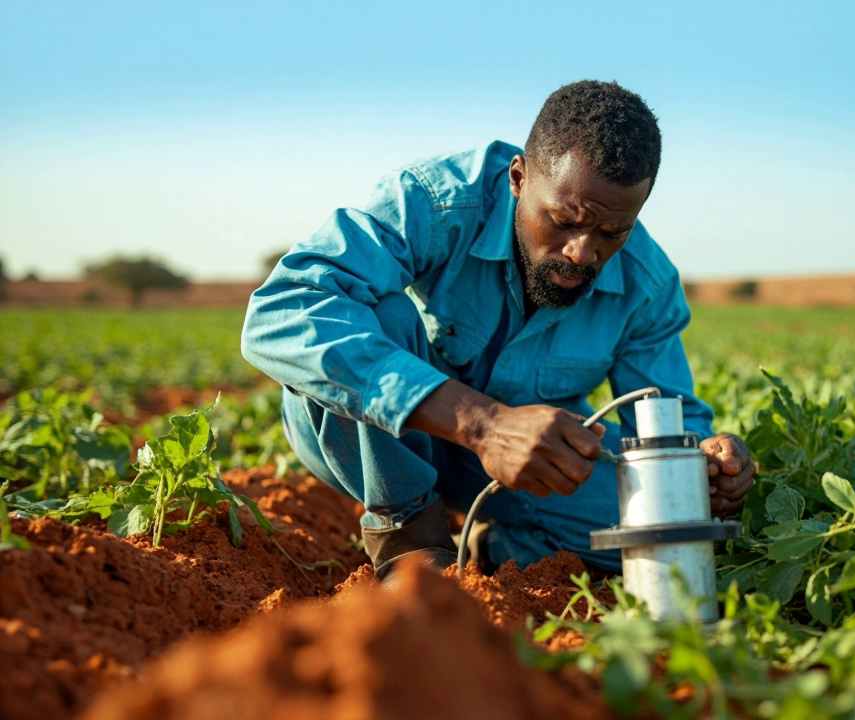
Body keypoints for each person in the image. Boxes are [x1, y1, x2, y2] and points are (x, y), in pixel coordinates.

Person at [241, 80, 754, 578]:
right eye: (562, 220)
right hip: (380, 443)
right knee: (375, 312)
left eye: (611, 232)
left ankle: (499, 549)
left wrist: (704, 466)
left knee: (666, 524)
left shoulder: (647, 283)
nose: (582, 251)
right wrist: (483, 423)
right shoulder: (436, 203)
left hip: (521, 467)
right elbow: (283, 308)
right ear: (518, 178)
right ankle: (411, 537)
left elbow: (665, 414)